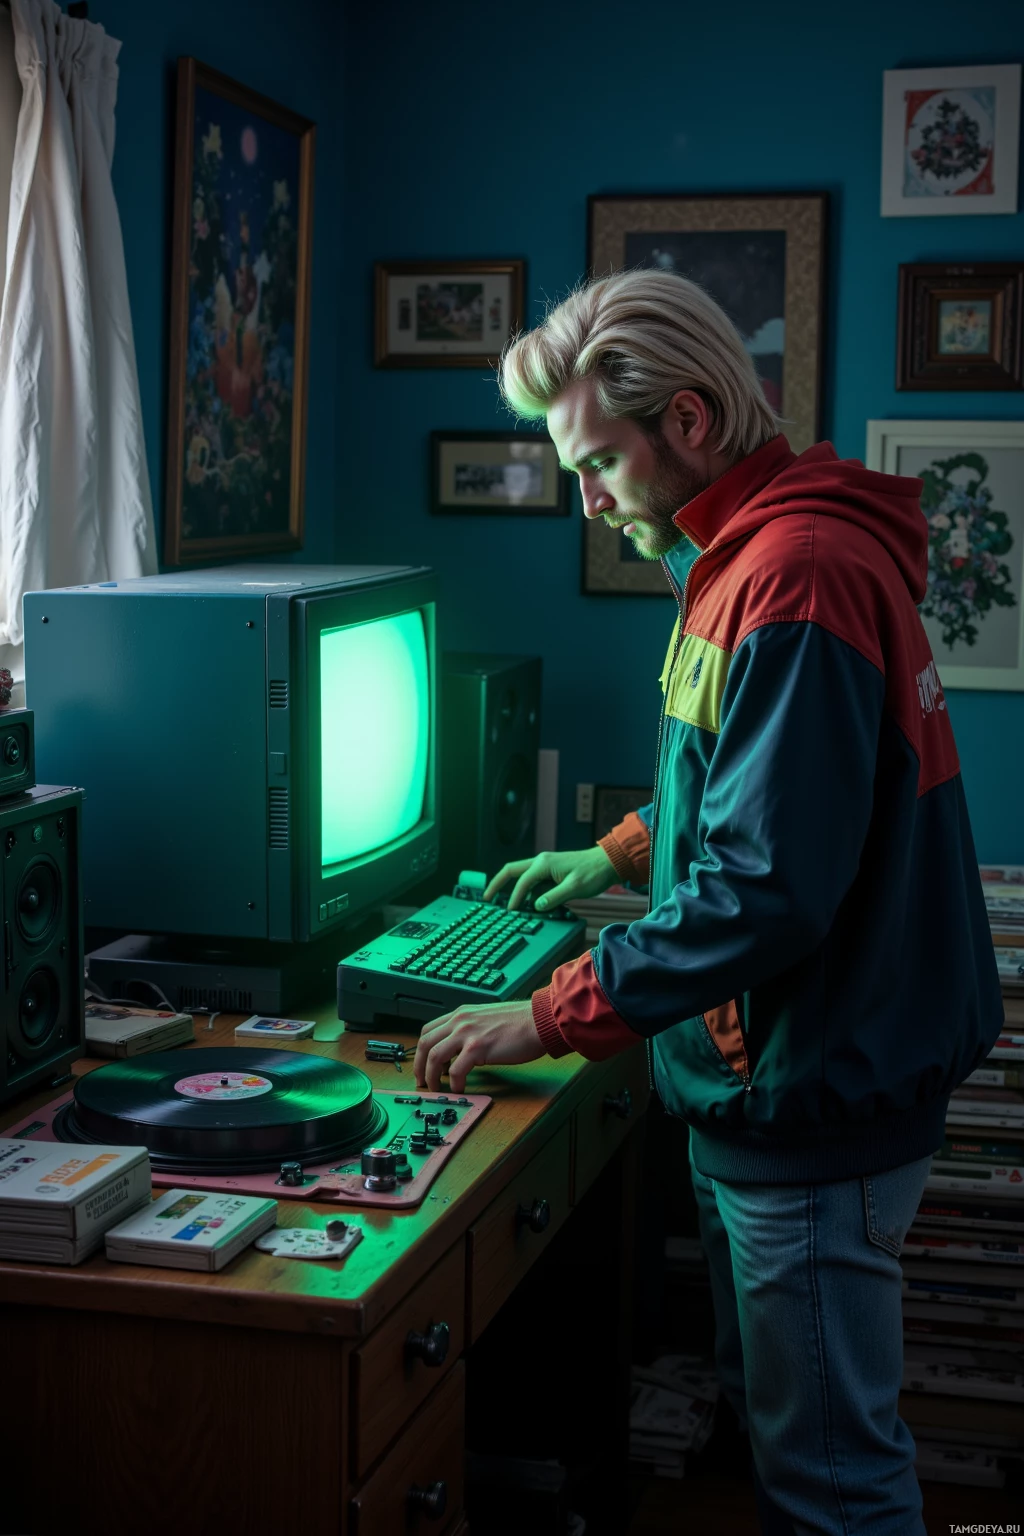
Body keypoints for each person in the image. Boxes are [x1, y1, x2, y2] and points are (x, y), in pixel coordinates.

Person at [412, 268, 1003, 1535]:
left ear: (686, 423)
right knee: (787, 1438)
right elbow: (754, 784)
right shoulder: (751, 552)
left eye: (600, 464)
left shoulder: (793, 576)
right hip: (790, 1092)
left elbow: (762, 888)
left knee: (835, 1486)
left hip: (816, 1099)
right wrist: (618, 854)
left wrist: (545, 1016)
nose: (587, 500)